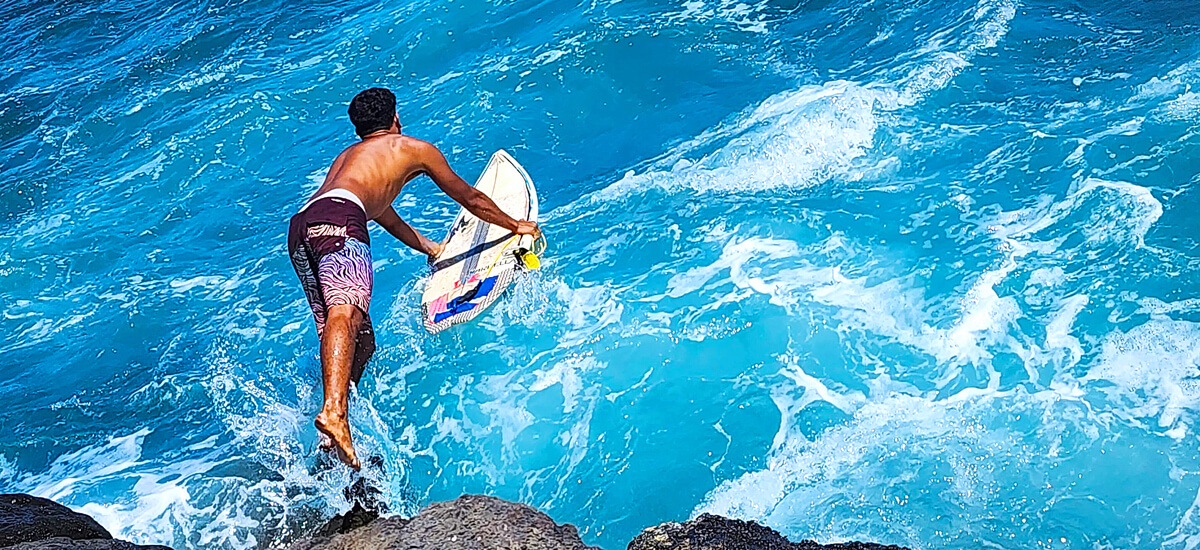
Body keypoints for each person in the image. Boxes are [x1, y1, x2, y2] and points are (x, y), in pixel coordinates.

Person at [287, 87, 539, 469]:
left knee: (361, 342)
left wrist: (431, 248)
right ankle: (335, 412)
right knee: (347, 313)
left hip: (302, 228)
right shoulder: (412, 148)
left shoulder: (349, 159)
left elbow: (382, 212)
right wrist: (515, 224)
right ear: (395, 118)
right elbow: (470, 198)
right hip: (340, 221)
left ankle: (331, 439)